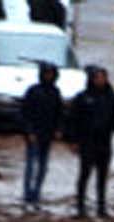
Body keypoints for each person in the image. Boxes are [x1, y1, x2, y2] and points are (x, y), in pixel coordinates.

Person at [64, 65, 114, 217]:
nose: (102, 80)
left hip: (104, 142)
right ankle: (80, 207)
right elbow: (72, 120)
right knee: (84, 175)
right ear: (92, 79)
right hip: (87, 142)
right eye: (98, 77)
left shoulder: (110, 97)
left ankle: (101, 207)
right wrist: (72, 140)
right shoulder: (82, 98)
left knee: (102, 176)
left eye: (104, 77)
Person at [20, 63, 64, 210]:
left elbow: (59, 113)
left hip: (47, 135)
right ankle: (28, 194)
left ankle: (37, 193)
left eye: (51, 74)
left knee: (43, 167)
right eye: (46, 74)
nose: (48, 76)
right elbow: (25, 113)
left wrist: (58, 129)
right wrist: (29, 132)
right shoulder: (33, 91)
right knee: (31, 166)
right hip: (33, 135)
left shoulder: (56, 92)